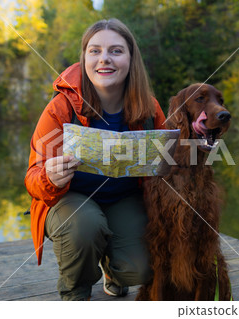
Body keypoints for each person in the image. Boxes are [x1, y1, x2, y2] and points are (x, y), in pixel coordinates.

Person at [24, 18, 166, 301]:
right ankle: (75, 292)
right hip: (72, 202)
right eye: (95, 50)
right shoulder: (61, 108)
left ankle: (114, 271)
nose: (105, 59)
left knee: (143, 267)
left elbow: (168, 165)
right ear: (85, 57)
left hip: (125, 199)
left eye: (116, 50)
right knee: (84, 227)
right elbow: (32, 178)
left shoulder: (148, 108)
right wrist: (49, 177)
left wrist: (187, 155)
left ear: (130, 58)